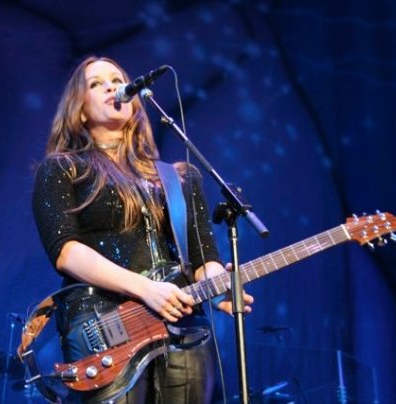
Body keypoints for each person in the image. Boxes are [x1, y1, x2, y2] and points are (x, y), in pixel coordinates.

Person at [31, 56, 254, 403]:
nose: (111, 87)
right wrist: (146, 289)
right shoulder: (62, 168)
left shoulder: (178, 177)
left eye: (116, 79)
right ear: (80, 110)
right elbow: (66, 252)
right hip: (103, 321)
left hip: (181, 325)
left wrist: (218, 282)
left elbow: (202, 257)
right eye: (96, 84)